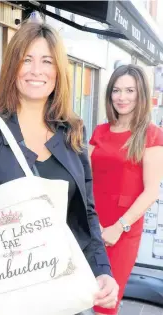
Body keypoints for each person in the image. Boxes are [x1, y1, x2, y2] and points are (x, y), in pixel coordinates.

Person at [0, 21, 118, 315]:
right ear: (12, 68)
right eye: (26, 59)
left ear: (58, 71)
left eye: (47, 61)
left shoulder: (72, 132)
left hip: (57, 293)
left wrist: (102, 269)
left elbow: (86, 212)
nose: (36, 70)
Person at [89, 64, 163, 315]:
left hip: (122, 231)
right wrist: (90, 221)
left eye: (130, 90)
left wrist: (118, 227)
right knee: (80, 294)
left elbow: (151, 192)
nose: (122, 97)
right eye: (117, 90)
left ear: (141, 94)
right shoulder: (100, 131)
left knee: (105, 302)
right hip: (91, 223)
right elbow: (86, 178)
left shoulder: (152, 135)